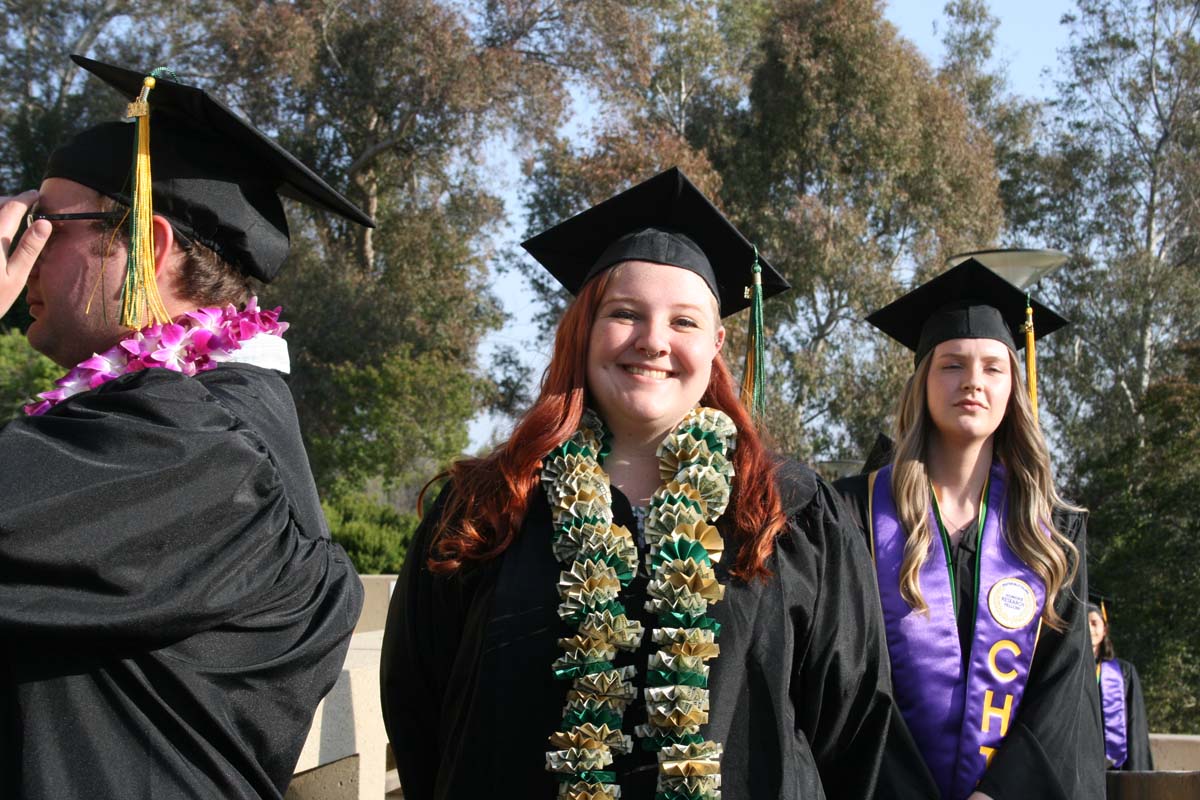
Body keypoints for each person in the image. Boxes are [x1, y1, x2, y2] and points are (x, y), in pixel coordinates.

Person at [380, 167, 905, 799]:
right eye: (626, 314)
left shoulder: (786, 509)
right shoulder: (490, 503)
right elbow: (420, 708)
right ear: (584, 329)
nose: (654, 341)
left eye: (683, 322)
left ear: (715, 343)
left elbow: (851, 726)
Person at [0, 56, 370, 799]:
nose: (19, 248)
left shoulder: (182, 441)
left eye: (44, 222)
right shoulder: (221, 421)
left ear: (150, 245)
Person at [835, 259, 1105, 800]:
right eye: (952, 365)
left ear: (1014, 387)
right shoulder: (852, 513)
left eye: (992, 367)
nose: (973, 383)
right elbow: (843, 677)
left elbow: (1064, 690)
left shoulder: (1050, 531)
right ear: (923, 381)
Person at [1088, 597, 1153, 771]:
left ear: (1105, 628)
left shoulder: (1124, 673)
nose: (1089, 629)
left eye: (1094, 623)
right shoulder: (1068, 670)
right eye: (1084, 623)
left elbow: (1135, 725)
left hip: (1115, 766)